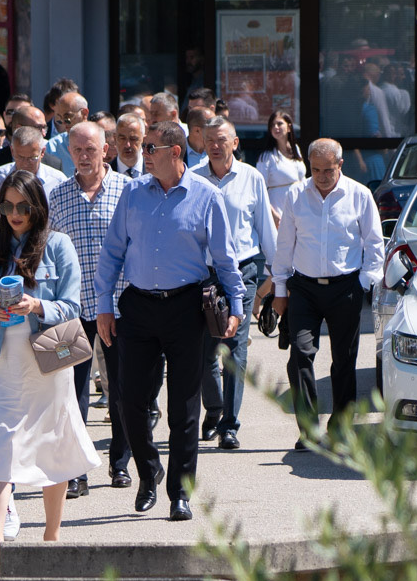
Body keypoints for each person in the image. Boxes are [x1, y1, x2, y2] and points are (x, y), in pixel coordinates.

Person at [96, 120, 243, 521]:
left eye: (150, 148)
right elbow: (112, 253)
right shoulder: (132, 193)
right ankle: (149, 472)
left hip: (186, 309)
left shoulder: (207, 196)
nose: (143, 154)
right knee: (129, 400)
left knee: (184, 407)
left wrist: (237, 306)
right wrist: (104, 305)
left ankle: (180, 492)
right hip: (138, 307)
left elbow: (225, 259)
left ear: (175, 152)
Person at [0, 171, 94, 576]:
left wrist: (36, 305)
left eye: (22, 206)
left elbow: (72, 306)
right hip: (2, 360)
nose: (14, 213)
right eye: (7, 205)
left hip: (48, 358)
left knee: (52, 443)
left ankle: (51, 537)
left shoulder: (58, 245)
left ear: (37, 206)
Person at [270, 138, 384, 447]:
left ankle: (340, 427)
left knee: (344, 360)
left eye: (328, 170)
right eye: (316, 169)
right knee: (300, 355)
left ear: (340, 165)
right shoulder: (296, 194)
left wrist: (364, 283)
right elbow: (285, 245)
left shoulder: (359, 195)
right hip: (304, 288)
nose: (321, 176)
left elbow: (375, 244)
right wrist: (279, 289)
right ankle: (308, 429)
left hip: (346, 288)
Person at [46, 120, 131, 494]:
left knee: (123, 391)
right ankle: (76, 472)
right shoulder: (58, 196)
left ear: (106, 150)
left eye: (90, 149)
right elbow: (47, 253)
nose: (83, 156)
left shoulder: (128, 191)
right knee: (70, 393)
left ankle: (120, 463)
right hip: (71, 311)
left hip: (120, 306)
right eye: (77, 150)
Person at [189, 118, 278, 449]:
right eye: (209, 139)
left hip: (243, 271)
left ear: (235, 143)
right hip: (203, 274)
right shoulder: (193, 177)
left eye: (221, 139)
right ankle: (214, 410)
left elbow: (265, 229)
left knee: (235, 347)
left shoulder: (251, 177)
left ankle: (230, 424)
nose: (215, 145)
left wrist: (278, 277)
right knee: (204, 351)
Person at [0, 125, 71, 195]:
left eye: (32, 158)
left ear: (42, 152)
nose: (25, 163)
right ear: (12, 151)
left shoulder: (58, 181)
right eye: (20, 157)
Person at [259, 110, 305, 227]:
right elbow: (259, 189)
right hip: (278, 210)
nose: (276, 127)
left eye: (279, 124)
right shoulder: (266, 156)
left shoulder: (295, 149)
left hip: (299, 207)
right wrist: (272, 214)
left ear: (289, 127)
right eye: (272, 125)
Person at [43, 89, 88, 173]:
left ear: (84, 113)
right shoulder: (53, 146)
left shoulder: (101, 140)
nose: (63, 123)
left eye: (67, 117)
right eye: (60, 118)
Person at [110, 112, 146, 179]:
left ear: (143, 140)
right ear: (115, 139)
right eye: (122, 138)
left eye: (133, 139)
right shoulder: (106, 174)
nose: (127, 145)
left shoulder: (156, 171)